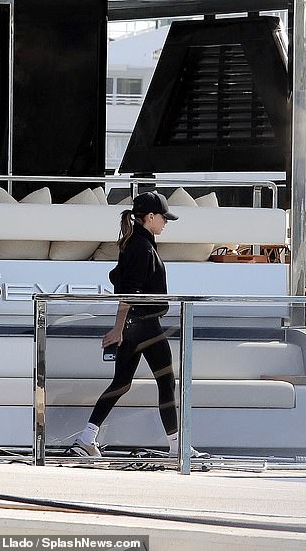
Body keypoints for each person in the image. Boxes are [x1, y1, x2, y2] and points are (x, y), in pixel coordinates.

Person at [70, 191, 209, 459]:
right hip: (145, 325)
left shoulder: (138, 243)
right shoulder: (141, 247)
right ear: (150, 217)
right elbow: (129, 294)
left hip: (137, 326)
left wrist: (121, 329)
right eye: (163, 218)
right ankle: (177, 446)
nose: (166, 223)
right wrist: (117, 329)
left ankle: (87, 437)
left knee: (122, 383)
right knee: (166, 382)